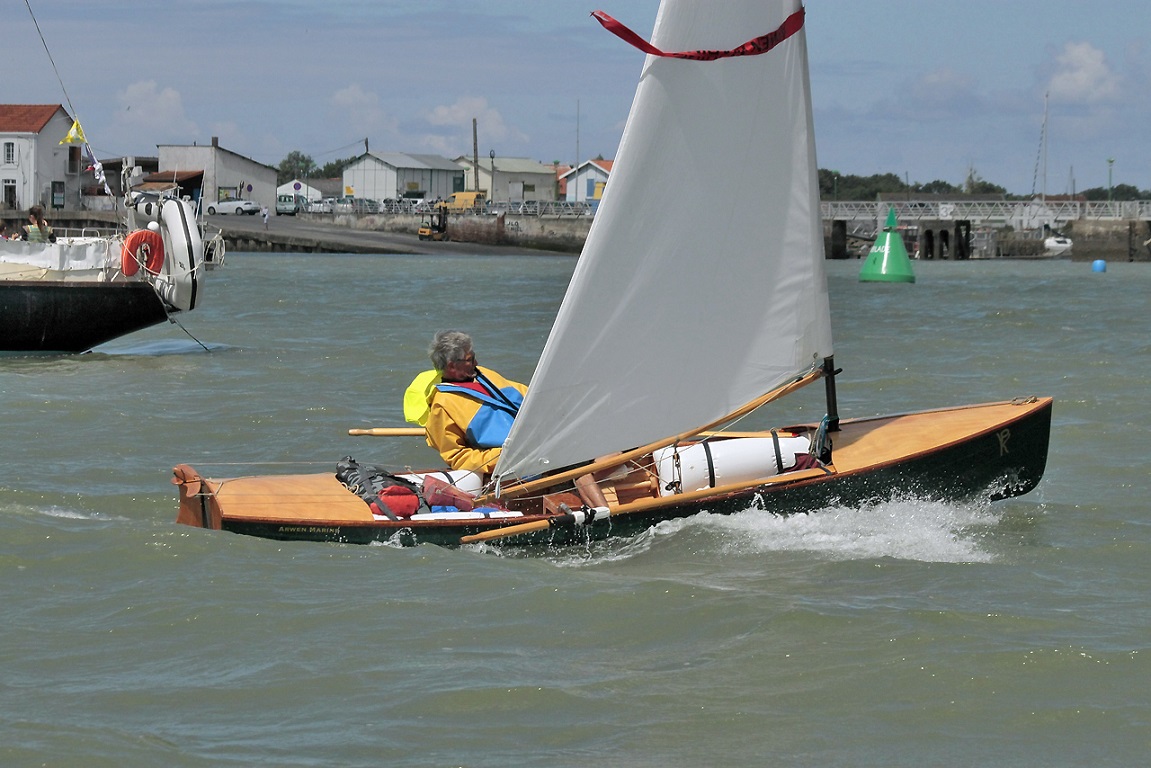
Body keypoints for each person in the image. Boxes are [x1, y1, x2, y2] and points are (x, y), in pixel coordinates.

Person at [422, 330, 527, 474]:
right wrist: (504, 457)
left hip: (539, 439)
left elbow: (526, 394)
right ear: (452, 366)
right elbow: (458, 457)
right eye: (470, 359)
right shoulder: (442, 405)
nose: (476, 363)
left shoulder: (483, 374)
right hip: (514, 466)